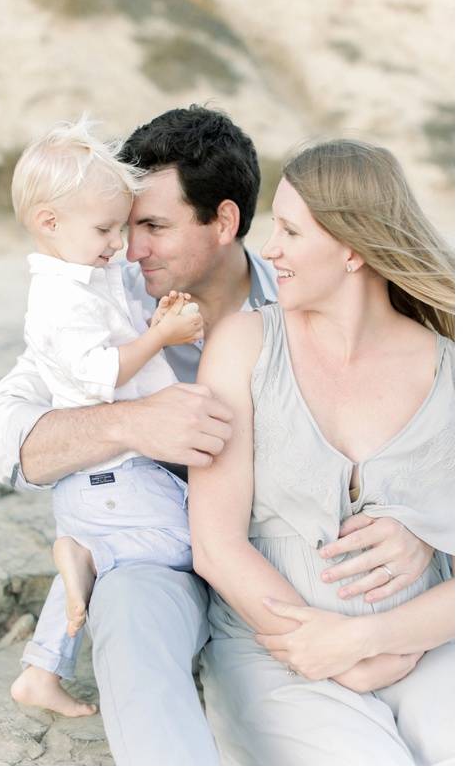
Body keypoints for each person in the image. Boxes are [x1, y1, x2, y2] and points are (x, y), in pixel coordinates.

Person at [0, 106, 436, 764]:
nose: (131, 251)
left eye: (154, 228)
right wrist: (128, 421)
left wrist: (418, 528)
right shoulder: (109, 306)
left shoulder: (309, 296)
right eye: (126, 227)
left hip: (294, 562)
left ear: (224, 221)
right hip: (167, 554)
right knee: (129, 615)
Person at [190, 139, 454, 765]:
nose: (269, 249)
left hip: (426, 642)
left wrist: (370, 640)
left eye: (289, 231)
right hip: (277, 652)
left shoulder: (449, 365)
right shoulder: (243, 346)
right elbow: (216, 545)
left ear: (353, 249)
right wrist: (323, 648)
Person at [10, 116, 204, 710]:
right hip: (112, 474)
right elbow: (98, 372)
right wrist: (161, 338)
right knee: (190, 542)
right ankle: (89, 555)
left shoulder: (87, 278)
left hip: (106, 481)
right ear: (49, 222)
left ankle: (39, 672)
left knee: (154, 546)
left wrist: (156, 317)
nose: (117, 244)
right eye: (105, 228)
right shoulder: (58, 298)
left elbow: (119, 325)